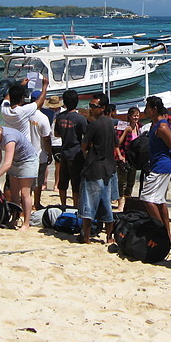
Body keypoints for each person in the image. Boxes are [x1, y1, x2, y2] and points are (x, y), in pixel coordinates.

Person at [77, 93, 117, 244]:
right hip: (108, 169)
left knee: (88, 206)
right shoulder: (110, 124)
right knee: (106, 205)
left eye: (94, 106)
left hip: (94, 168)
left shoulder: (93, 125)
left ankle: (86, 237)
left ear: (102, 108)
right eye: (90, 106)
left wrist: (90, 147)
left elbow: (83, 146)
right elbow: (115, 143)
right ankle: (109, 237)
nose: (91, 109)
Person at [0, 124, 38, 230]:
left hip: (28, 161)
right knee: (14, 192)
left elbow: (7, 164)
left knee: (24, 193)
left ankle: (26, 223)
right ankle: (14, 219)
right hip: (15, 160)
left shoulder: (9, 138)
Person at [141, 96, 171, 237]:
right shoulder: (155, 125)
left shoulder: (162, 126)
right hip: (159, 165)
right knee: (159, 200)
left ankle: (160, 231)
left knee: (147, 197)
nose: (145, 111)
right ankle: (166, 233)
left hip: (161, 167)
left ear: (154, 109)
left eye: (147, 108)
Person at [54, 89, 87, 206]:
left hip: (64, 152)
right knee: (76, 184)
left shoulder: (60, 117)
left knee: (63, 183)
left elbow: (56, 134)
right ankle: (75, 206)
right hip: (76, 153)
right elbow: (86, 136)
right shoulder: (80, 118)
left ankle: (63, 204)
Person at [116, 106, 141, 205]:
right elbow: (117, 143)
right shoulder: (123, 126)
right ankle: (120, 204)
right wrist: (120, 156)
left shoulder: (139, 127)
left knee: (131, 182)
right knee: (122, 183)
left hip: (134, 159)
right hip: (124, 157)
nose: (136, 118)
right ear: (129, 116)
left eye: (138, 116)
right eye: (134, 116)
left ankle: (128, 202)